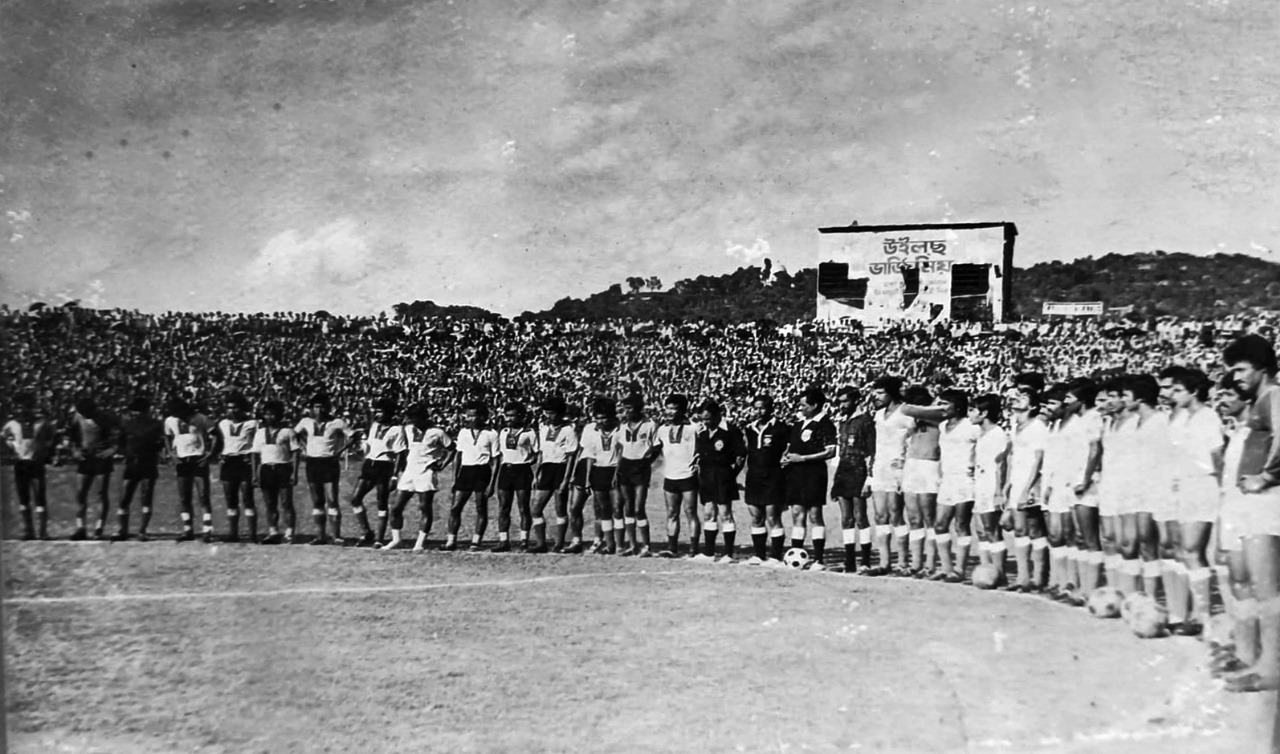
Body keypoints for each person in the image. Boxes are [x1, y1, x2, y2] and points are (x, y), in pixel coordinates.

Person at [1220, 334, 1280, 692]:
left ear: (1261, 367)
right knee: (1259, 588)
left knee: (1269, 589)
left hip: (1269, 502)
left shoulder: (1274, 395)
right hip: (1254, 504)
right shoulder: (1261, 399)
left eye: (1241, 369)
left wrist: (1268, 476)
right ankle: (1262, 661)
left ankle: (1272, 667)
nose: (1236, 377)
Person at [902, 388, 979, 583]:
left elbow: (987, 446)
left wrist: (976, 467)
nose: (941, 407)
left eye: (945, 403)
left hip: (964, 480)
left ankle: (959, 570)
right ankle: (945, 568)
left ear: (958, 406)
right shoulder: (944, 426)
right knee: (940, 524)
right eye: (940, 403)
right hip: (947, 479)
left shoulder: (970, 426)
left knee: (961, 525)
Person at [1166, 367, 1222, 635]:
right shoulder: (1178, 419)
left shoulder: (1208, 417)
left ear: (1194, 391)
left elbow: (1217, 456)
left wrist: (1224, 491)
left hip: (1202, 487)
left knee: (1192, 549)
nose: (1172, 395)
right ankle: (1181, 614)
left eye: (1178, 390)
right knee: (1180, 550)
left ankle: (1204, 617)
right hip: (1180, 488)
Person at [1119, 374, 1173, 598]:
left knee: (1153, 545)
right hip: (1133, 489)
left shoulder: (1161, 421)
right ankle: (1133, 595)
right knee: (1135, 543)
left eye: (1125, 395)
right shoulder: (1131, 423)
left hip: (1155, 489)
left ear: (1139, 397)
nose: (1123, 400)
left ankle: (1153, 597)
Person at [781, 386, 837, 571]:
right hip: (796, 474)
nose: (801, 408)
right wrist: (786, 457)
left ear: (815, 405)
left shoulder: (825, 424)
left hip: (814, 474)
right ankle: (796, 554)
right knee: (797, 513)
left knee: (814, 515)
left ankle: (819, 559)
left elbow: (830, 451)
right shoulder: (798, 424)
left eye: (804, 405)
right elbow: (791, 448)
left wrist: (803, 458)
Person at [384, 402, 453, 552]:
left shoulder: (437, 432)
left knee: (424, 508)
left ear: (423, 417)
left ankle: (420, 543)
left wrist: (441, 464)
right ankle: (396, 539)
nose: (412, 421)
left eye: (415, 418)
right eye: (411, 418)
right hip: (409, 472)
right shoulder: (408, 429)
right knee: (396, 507)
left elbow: (452, 449)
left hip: (426, 473)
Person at [1002, 388, 1049, 592]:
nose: (1017, 399)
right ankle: (1023, 578)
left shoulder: (1038, 426)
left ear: (1032, 406)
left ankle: (1038, 578)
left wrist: (1027, 488)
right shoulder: (1015, 426)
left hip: (1031, 482)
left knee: (1034, 529)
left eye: (1023, 397)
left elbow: (1039, 460)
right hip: (1016, 481)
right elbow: (1014, 457)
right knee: (1019, 530)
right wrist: (1007, 484)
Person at [293, 393, 352, 545]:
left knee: (332, 499)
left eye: (323, 406)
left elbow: (353, 436)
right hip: (312, 463)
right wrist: (303, 448)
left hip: (329, 463)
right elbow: (294, 435)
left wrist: (339, 451)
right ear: (312, 408)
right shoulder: (305, 422)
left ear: (328, 407)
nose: (320, 410)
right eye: (317, 407)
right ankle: (320, 536)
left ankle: (336, 536)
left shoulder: (337, 422)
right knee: (317, 500)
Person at [868, 376, 913, 575]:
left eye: (880, 393)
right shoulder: (878, 414)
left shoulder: (905, 412)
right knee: (880, 515)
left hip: (897, 468)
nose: (875, 396)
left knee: (896, 514)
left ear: (892, 393)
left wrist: (907, 459)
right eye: (874, 392)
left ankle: (903, 562)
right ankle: (884, 562)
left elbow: (916, 438)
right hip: (880, 467)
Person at [442, 401, 500, 552]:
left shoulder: (491, 434)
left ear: (482, 417)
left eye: (473, 415)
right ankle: (451, 541)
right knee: (455, 508)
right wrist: (454, 478)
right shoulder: (463, 433)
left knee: (481, 508)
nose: (469, 418)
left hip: (482, 471)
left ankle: (476, 541)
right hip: (466, 472)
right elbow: (458, 456)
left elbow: (495, 460)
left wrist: (492, 484)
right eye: (467, 415)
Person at [694, 399, 746, 563]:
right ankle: (709, 553)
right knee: (709, 513)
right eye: (703, 419)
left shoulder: (730, 431)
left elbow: (740, 456)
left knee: (725, 513)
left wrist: (732, 475)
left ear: (718, 415)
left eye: (708, 418)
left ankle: (728, 554)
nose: (706, 422)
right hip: (707, 476)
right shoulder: (702, 433)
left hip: (723, 476)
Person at [350, 397, 406, 547]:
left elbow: (400, 453)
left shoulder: (397, 430)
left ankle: (379, 539)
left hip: (385, 466)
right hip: (369, 464)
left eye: (381, 411)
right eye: (376, 411)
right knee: (355, 498)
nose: (377, 414)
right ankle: (367, 531)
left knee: (381, 502)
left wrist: (395, 476)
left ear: (389, 413)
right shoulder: (374, 425)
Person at [831, 386, 874, 574]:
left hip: (859, 471)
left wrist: (869, 479)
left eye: (845, 401)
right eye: (840, 402)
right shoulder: (843, 423)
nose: (841, 405)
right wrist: (835, 479)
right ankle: (849, 561)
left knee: (860, 517)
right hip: (843, 472)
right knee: (846, 518)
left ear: (856, 401)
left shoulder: (865, 422)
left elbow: (871, 453)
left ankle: (865, 560)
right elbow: (840, 453)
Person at [743, 393, 790, 566]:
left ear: (771, 409)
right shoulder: (749, 428)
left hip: (773, 476)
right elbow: (748, 453)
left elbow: (788, 450)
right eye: (756, 408)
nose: (758, 411)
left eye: (762, 407)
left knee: (773, 517)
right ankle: (758, 555)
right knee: (756, 517)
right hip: (754, 477)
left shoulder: (781, 428)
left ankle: (776, 556)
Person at [2, 392, 55, 540]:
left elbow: (50, 439)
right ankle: (28, 530)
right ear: (16, 407)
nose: (24, 410)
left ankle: (43, 532)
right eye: (20, 407)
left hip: (36, 463)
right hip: (21, 464)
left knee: (40, 497)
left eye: (27, 406)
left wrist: (44, 453)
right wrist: (12, 449)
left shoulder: (42, 423)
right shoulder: (10, 425)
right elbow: (6, 440)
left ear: (32, 407)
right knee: (23, 497)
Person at [900, 385, 941, 577]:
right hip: (912, 465)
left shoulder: (935, 414)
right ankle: (916, 563)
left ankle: (931, 563)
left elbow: (906, 408)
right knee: (914, 518)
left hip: (929, 466)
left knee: (929, 517)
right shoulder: (916, 418)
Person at [653, 393, 700, 558]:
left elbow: (703, 448)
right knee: (672, 513)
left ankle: (694, 548)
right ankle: (672, 547)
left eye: (674, 408)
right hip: (670, 476)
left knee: (690, 511)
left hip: (688, 475)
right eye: (668, 408)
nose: (670, 411)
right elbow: (656, 451)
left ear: (683, 410)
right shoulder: (662, 430)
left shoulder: (694, 428)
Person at [971, 394, 1010, 586]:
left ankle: (1000, 573)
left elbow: (1001, 465)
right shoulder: (981, 433)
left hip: (990, 484)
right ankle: (986, 569)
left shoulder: (997, 434)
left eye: (973, 410)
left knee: (992, 529)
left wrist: (999, 492)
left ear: (984, 413)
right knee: (981, 530)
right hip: (980, 482)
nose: (970, 414)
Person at [163, 395, 214, 543]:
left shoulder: (200, 418)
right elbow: (167, 437)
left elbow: (215, 434)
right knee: (184, 497)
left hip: (198, 459)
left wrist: (209, 454)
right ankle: (188, 530)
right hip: (182, 460)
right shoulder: (170, 420)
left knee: (203, 495)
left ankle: (207, 530)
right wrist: (171, 454)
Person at [531, 396, 578, 553]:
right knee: (536, 508)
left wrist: (566, 479)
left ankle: (559, 542)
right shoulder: (543, 428)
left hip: (561, 468)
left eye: (553, 413)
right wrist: (537, 474)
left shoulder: (568, 430)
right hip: (546, 469)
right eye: (547, 413)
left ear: (561, 413)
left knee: (560, 508)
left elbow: (571, 456)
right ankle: (541, 543)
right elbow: (541, 453)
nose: (549, 416)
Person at [69, 396, 120, 540]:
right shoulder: (77, 418)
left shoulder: (106, 418)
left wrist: (112, 450)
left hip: (101, 459)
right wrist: (75, 451)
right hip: (85, 459)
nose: (85, 415)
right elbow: (72, 437)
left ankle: (99, 528)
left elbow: (121, 433)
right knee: (81, 494)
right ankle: (81, 528)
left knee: (100, 494)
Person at [115, 397, 164, 541]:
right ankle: (135, 530)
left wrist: (128, 453)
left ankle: (132, 530)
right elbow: (120, 443)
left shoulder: (152, 425)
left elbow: (120, 444)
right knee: (140, 498)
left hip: (141, 463)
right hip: (140, 463)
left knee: (132, 498)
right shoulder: (129, 425)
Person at [214, 391, 259, 543]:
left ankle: (252, 534)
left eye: (235, 408)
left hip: (244, 462)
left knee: (248, 498)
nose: (232, 411)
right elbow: (219, 441)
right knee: (230, 499)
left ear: (242, 408)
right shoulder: (222, 423)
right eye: (229, 408)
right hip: (229, 462)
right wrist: (219, 454)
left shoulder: (252, 423)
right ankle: (233, 533)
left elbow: (258, 442)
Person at [615, 394, 658, 557]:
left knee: (639, 508)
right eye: (624, 409)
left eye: (630, 409)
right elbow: (620, 447)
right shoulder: (623, 426)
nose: (626, 412)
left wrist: (647, 462)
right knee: (628, 507)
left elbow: (656, 447)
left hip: (640, 467)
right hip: (625, 466)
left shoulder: (649, 425)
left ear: (638, 409)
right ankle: (633, 545)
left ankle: (646, 546)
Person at [493, 401, 538, 552]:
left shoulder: (529, 433)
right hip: (506, 470)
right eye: (508, 415)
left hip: (522, 470)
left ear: (521, 416)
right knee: (503, 507)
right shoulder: (503, 431)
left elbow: (537, 453)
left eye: (513, 415)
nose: (510, 418)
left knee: (523, 507)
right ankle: (503, 541)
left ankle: (524, 540)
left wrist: (530, 463)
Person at [580, 396, 622, 555]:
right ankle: (609, 545)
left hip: (615, 471)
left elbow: (622, 454)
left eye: (604, 418)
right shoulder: (592, 432)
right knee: (603, 510)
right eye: (597, 418)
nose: (600, 421)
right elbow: (590, 456)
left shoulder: (620, 430)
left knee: (617, 508)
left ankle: (619, 545)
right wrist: (587, 479)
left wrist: (618, 473)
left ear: (612, 417)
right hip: (598, 471)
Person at [252, 400, 298, 544]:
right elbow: (254, 454)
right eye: (267, 414)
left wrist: (294, 473)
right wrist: (254, 474)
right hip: (266, 468)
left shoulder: (288, 432)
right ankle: (273, 532)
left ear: (280, 415)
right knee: (270, 503)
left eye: (273, 414)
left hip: (283, 468)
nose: (270, 417)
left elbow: (295, 453)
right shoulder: (259, 433)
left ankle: (289, 533)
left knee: (286, 502)